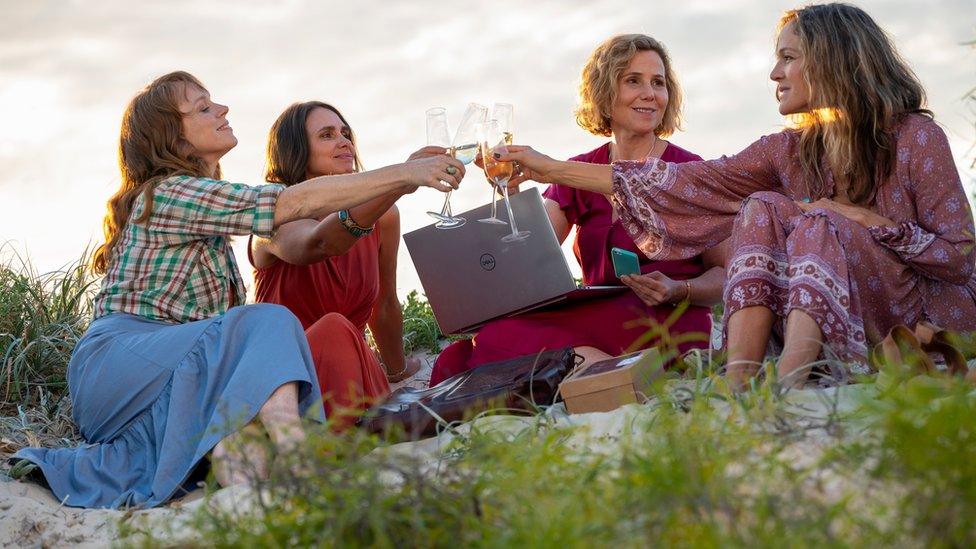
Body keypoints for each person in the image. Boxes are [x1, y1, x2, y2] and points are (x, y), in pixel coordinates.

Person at [11, 71, 463, 509]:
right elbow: (294, 206)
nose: (223, 108)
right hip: (121, 363)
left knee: (241, 439)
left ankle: (251, 506)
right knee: (267, 320)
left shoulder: (209, 222)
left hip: (168, 385)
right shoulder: (169, 194)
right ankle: (300, 460)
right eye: (203, 107)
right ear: (173, 136)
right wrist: (405, 174)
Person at [499, 3, 976, 390]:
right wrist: (546, 168)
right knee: (764, 205)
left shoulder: (915, 136)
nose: (774, 73)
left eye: (788, 57)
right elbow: (686, 184)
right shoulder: (786, 149)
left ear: (832, 59)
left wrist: (860, 219)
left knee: (819, 221)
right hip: (830, 314)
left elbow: (959, 259)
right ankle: (740, 375)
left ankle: (789, 376)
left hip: (916, 310)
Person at [430, 34, 725, 386]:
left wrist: (681, 290)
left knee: (496, 349)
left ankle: (584, 369)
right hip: (596, 314)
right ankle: (596, 367)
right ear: (605, 93)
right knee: (491, 337)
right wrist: (511, 192)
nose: (650, 93)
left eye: (658, 83)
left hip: (669, 316)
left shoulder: (689, 171)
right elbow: (528, 258)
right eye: (633, 80)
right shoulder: (578, 171)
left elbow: (726, 274)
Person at [250, 101, 437, 429]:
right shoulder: (274, 216)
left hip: (354, 376)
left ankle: (367, 436)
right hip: (289, 383)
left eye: (345, 133)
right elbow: (318, 244)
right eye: (326, 135)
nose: (344, 141)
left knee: (344, 334)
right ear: (296, 151)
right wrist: (396, 183)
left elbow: (384, 305)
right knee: (334, 328)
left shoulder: (385, 216)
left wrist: (397, 371)